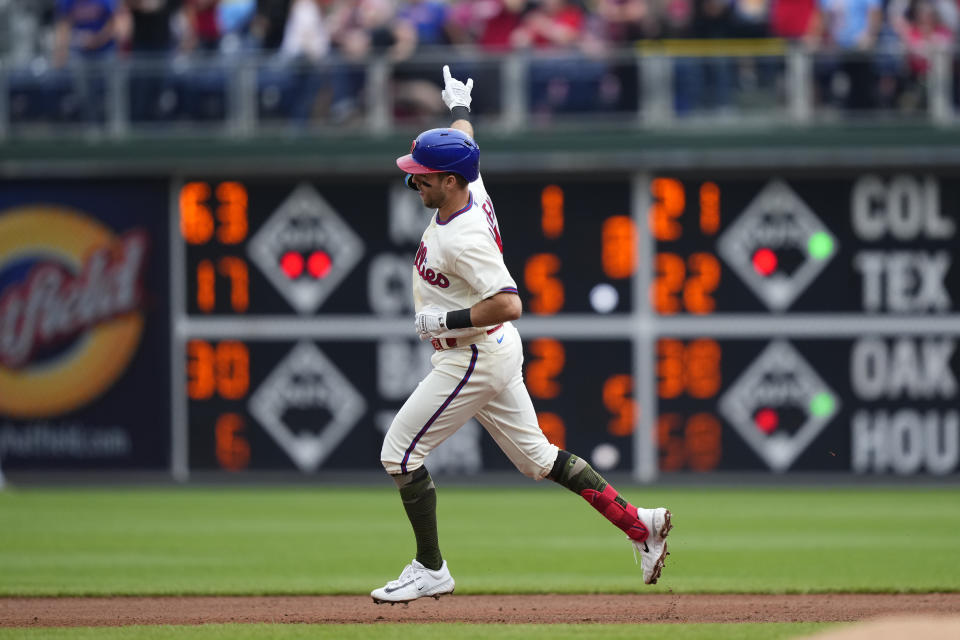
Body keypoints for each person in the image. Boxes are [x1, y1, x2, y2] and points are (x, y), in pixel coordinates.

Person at [370, 65, 673, 605]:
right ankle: (640, 524)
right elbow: (464, 143)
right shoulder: (469, 183)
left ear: (450, 181)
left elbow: (510, 302)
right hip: (495, 353)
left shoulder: (463, 237)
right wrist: (459, 107)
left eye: (423, 173)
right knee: (538, 459)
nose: (414, 178)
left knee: (400, 455)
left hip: (471, 355)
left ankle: (431, 567)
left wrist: (447, 321)